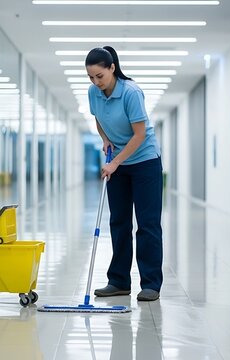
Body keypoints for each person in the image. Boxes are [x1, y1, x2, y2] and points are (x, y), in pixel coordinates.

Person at [86, 46, 163, 302]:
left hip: (144, 162)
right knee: (119, 223)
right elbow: (98, 118)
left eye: (100, 76)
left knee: (147, 223)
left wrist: (116, 161)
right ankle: (118, 281)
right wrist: (105, 139)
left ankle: (151, 283)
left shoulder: (131, 92)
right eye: (91, 77)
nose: (96, 82)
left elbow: (139, 135)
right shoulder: (93, 93)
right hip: (117, 160)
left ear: (112, 68)